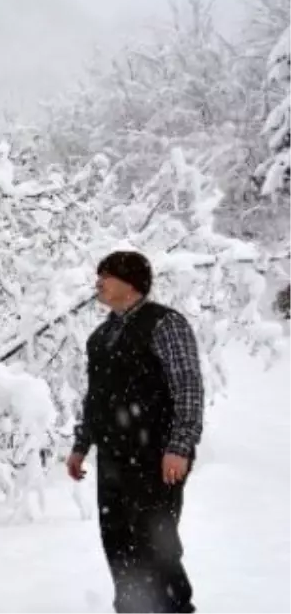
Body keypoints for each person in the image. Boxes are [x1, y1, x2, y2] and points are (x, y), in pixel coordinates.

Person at [65, 250, 203, 614]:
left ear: (130, 282)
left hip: (156, 456)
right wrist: (81, 445)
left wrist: (181, 445)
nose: (98, 283)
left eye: (105, 276)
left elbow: (187, 386)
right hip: (112, 458)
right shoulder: (100, 336)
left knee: (156, 543)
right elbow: (95, 397)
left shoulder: (165, 324)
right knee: (117, 542)